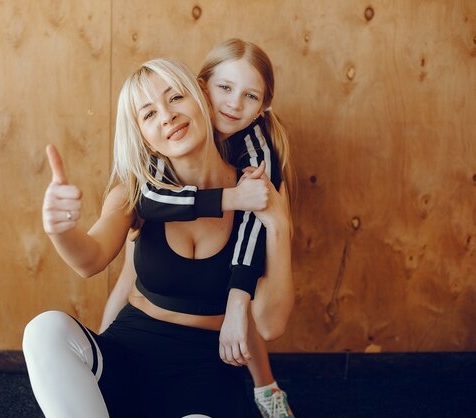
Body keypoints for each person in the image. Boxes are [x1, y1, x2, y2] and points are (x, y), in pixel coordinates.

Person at [23, 58, 293, 418]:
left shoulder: (255, 186)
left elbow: (271, 325)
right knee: (44, 330)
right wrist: (61, 230)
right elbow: (90, 260)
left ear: (202, 98)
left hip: (204, 375)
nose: (166, 116)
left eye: (175, 98)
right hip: (129, 354)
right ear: (142, 136)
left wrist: (278, 224)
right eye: (148, 114)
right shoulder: (135, 190)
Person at [99, 38, 295, 418]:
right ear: (200, 88)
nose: (234, 104)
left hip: (236, 261)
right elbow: (147, 205)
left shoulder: (256, 153)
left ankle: (265, 387)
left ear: (263, 108)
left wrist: (239, 299)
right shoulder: (171, 137)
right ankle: (106, 355)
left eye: (250, 96)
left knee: (239, 284)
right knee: (137, 267)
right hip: (158, 284)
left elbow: (255, 236)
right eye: (224, 88)